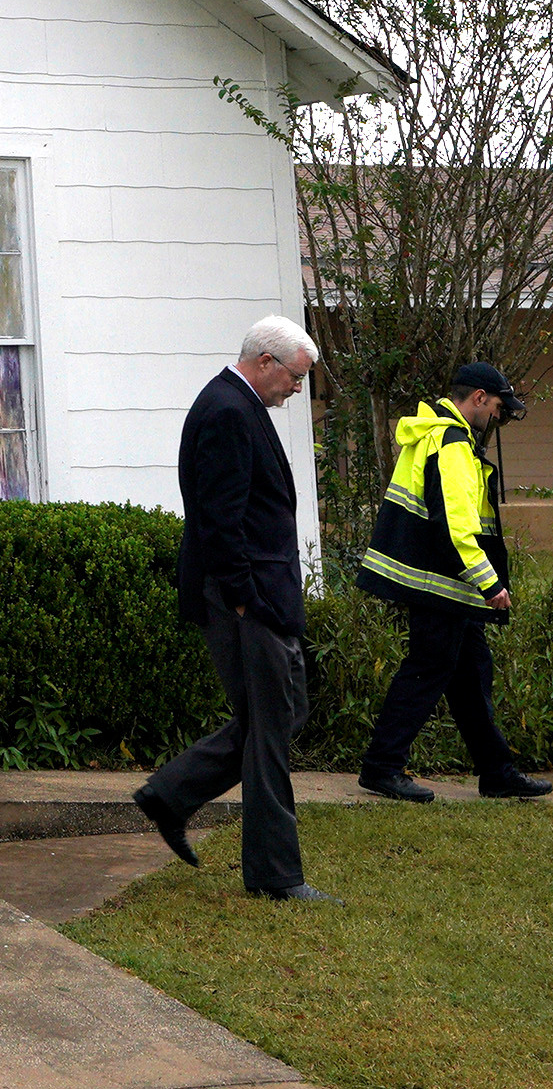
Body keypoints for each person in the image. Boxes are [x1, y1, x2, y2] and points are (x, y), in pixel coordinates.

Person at [134, 315, 325, 901]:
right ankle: (276, 877)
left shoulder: (237, 406)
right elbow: (219, 522)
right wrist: (245, 600)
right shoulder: (227, 412)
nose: (298, 390)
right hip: (246, 599)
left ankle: (170, 794)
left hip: (257, 596)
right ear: (264, 362)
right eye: (295, 378)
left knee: (280, 717)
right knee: (270, 730)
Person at [355, 363, 553, 802]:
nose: (499, 418)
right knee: (426, 672)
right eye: (499, 407)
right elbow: (457, 524)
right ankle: (381, 767)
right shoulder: (452, 442)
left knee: (469, 677)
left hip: (443, 584)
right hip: (441, 586)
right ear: (479, 398)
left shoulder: (436, 434)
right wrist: (490, 584)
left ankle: (497, 772)